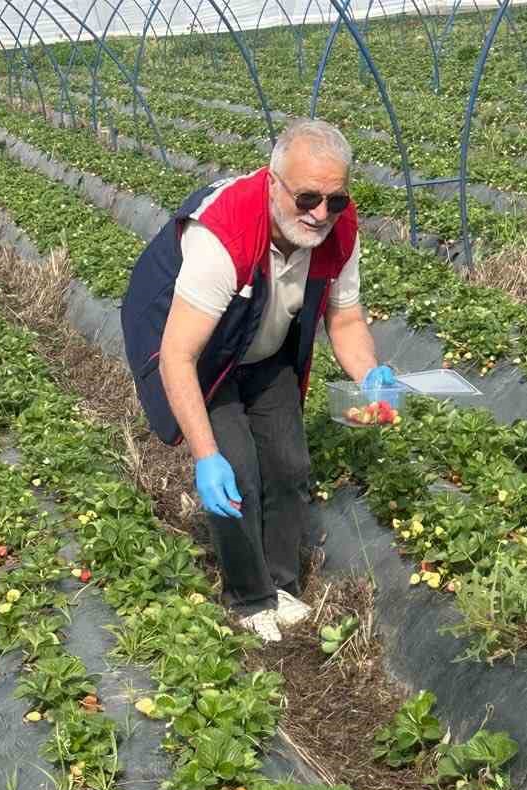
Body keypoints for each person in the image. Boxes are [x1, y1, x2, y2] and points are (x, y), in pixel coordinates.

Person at [121, 118, 395, 642]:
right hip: (202, 350)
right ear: (273, 183)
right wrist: (206, 456)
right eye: (307, 198)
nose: (321, 214)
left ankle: (281, 584)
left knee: (289, 463)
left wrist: (370, 375)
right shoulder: (222, 234)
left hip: (265, 347)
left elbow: (344, 319)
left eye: (335, 200)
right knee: (237, 468)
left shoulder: (338, 231)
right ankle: (249, 597)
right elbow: (178, 355)